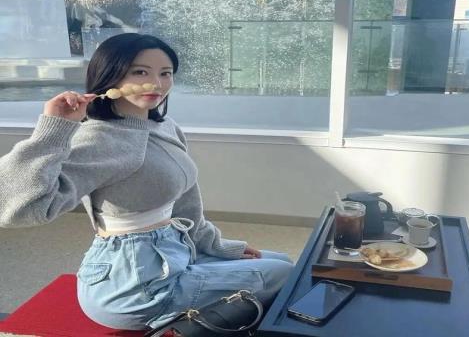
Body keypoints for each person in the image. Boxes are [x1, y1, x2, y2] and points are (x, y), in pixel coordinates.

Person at [0, 33, 294, 331]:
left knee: (282, 261)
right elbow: (18, 208)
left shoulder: (164, 126)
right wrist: (53, 130)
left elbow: (186, 206)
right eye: (140, 72)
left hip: (174, 251)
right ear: (110, 76)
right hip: (131, 285)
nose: (156, 83)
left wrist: (217, 246)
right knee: (281, 275)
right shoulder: (99, 138)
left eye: (165, 73)